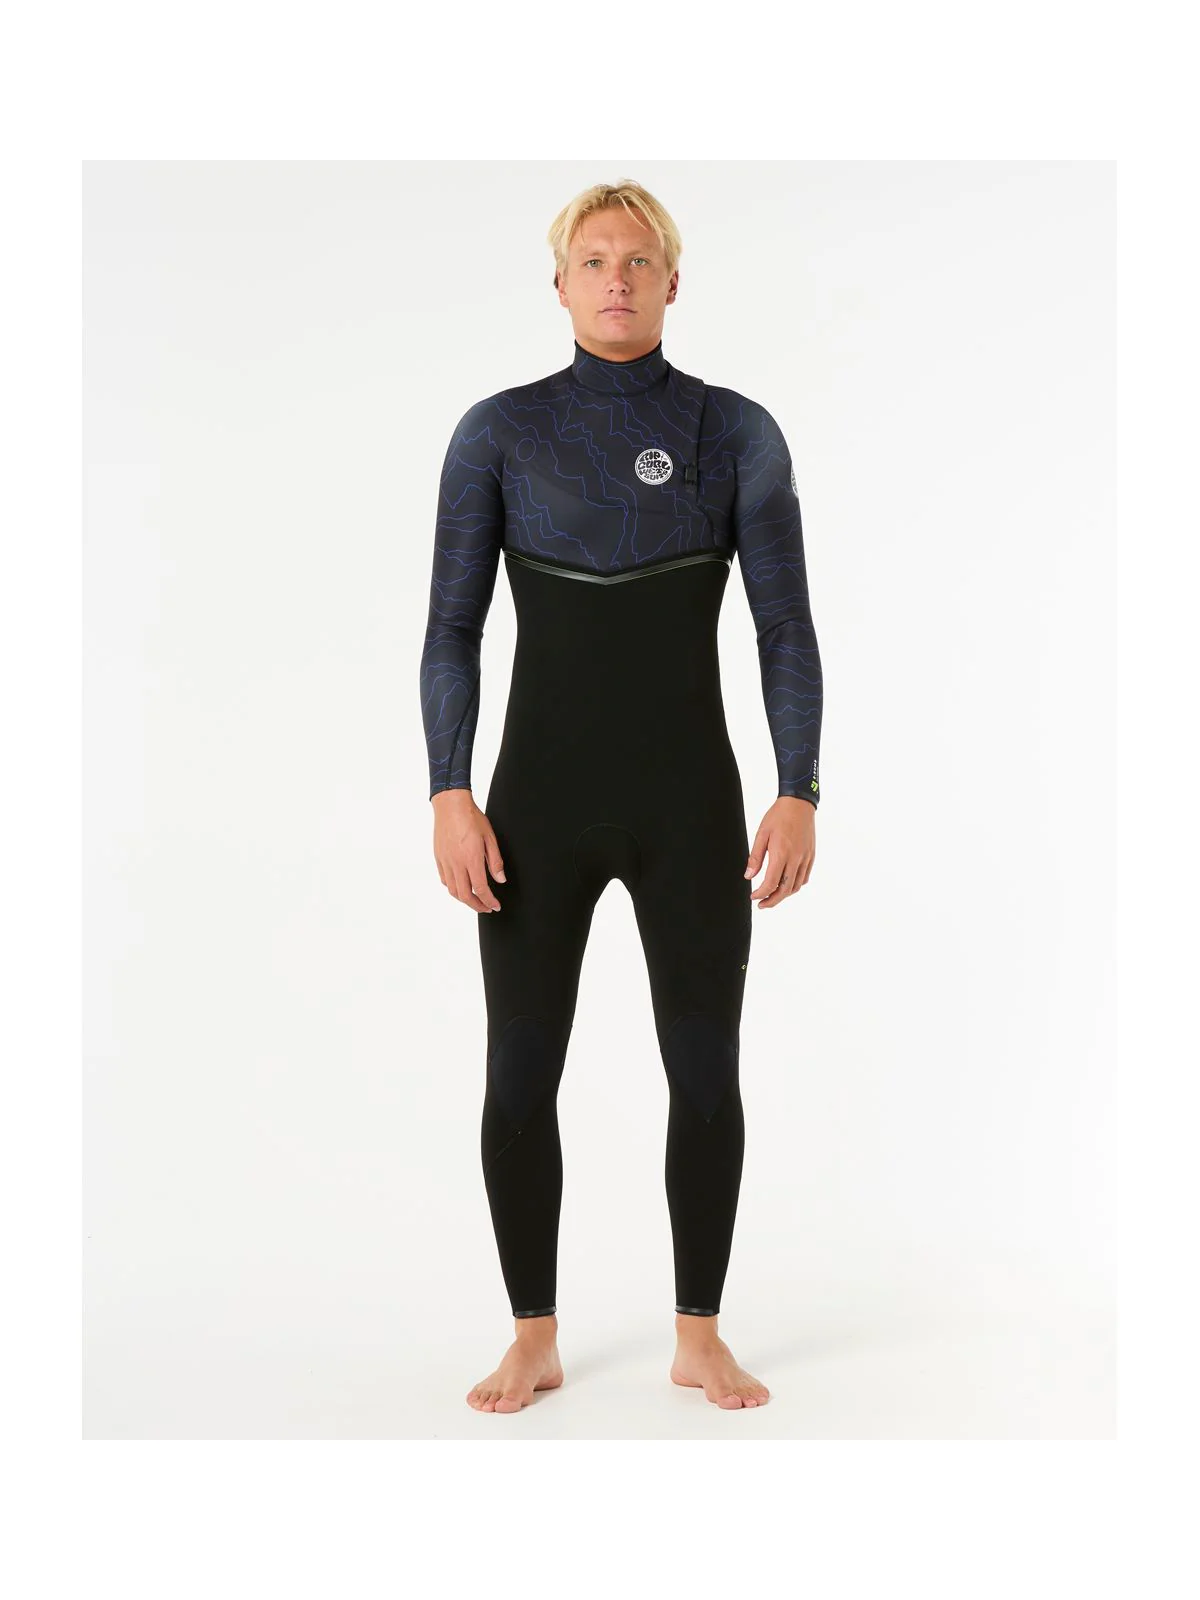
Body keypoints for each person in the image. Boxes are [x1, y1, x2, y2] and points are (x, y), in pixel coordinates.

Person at [419, 180, 823, 1413]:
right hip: (532, 807)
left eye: (638, 260)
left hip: (689, 803)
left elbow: (784, 628)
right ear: (559, 284)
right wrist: (449, 789)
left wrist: (797, 786)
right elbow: (451, 627)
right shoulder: (498, 432)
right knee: (517, 1072)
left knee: (704, 1070)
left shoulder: (735, 432)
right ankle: (532, 1335)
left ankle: (699, 1334)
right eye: (593, 260)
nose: (616, 278)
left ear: (672, 281)